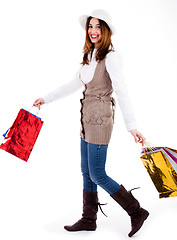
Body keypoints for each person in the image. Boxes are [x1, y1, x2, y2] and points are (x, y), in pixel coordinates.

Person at [33, 9, 149, 238]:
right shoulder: (89, 56)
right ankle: (88, 219)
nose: (93, 31)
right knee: (86, 172)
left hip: (101, 120)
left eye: (98, 27)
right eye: (90, 26)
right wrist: (45, 98)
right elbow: (71, 85)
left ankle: (136, 211)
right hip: (86, 119)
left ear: (105, 30)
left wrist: (132, 125)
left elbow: (122, 91)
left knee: (98, 173)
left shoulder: (111, 57)